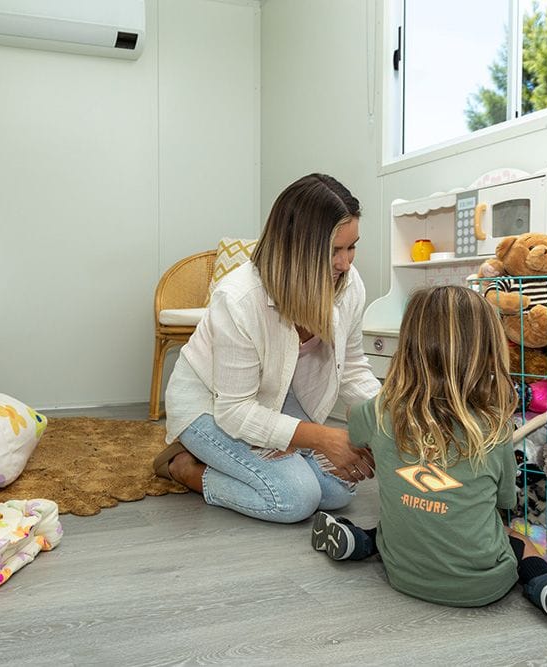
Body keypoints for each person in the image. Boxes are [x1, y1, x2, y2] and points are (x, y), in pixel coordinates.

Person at [311, 285, 547, 623]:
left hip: (401, 573)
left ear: (407, 348)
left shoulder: (378, 411)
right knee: (516, 535)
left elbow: (355, 425)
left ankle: (360, 541)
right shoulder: (494, 430)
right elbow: (505, 502)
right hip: (483, 586)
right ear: (488, 352)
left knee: (405, 523)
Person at [152, 173, 381, 523]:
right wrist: (322, 438)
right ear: (296, 246)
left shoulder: (348, 285)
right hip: (211, 405)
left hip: (273, 396)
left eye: (352, 247)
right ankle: (183, 467)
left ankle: (246, 463)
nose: (346, 263)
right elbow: (235, 411)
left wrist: (387, 414)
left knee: (339, 490)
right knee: (295, 498)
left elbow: (352, 367)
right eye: (334, 250)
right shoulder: (239, 297)